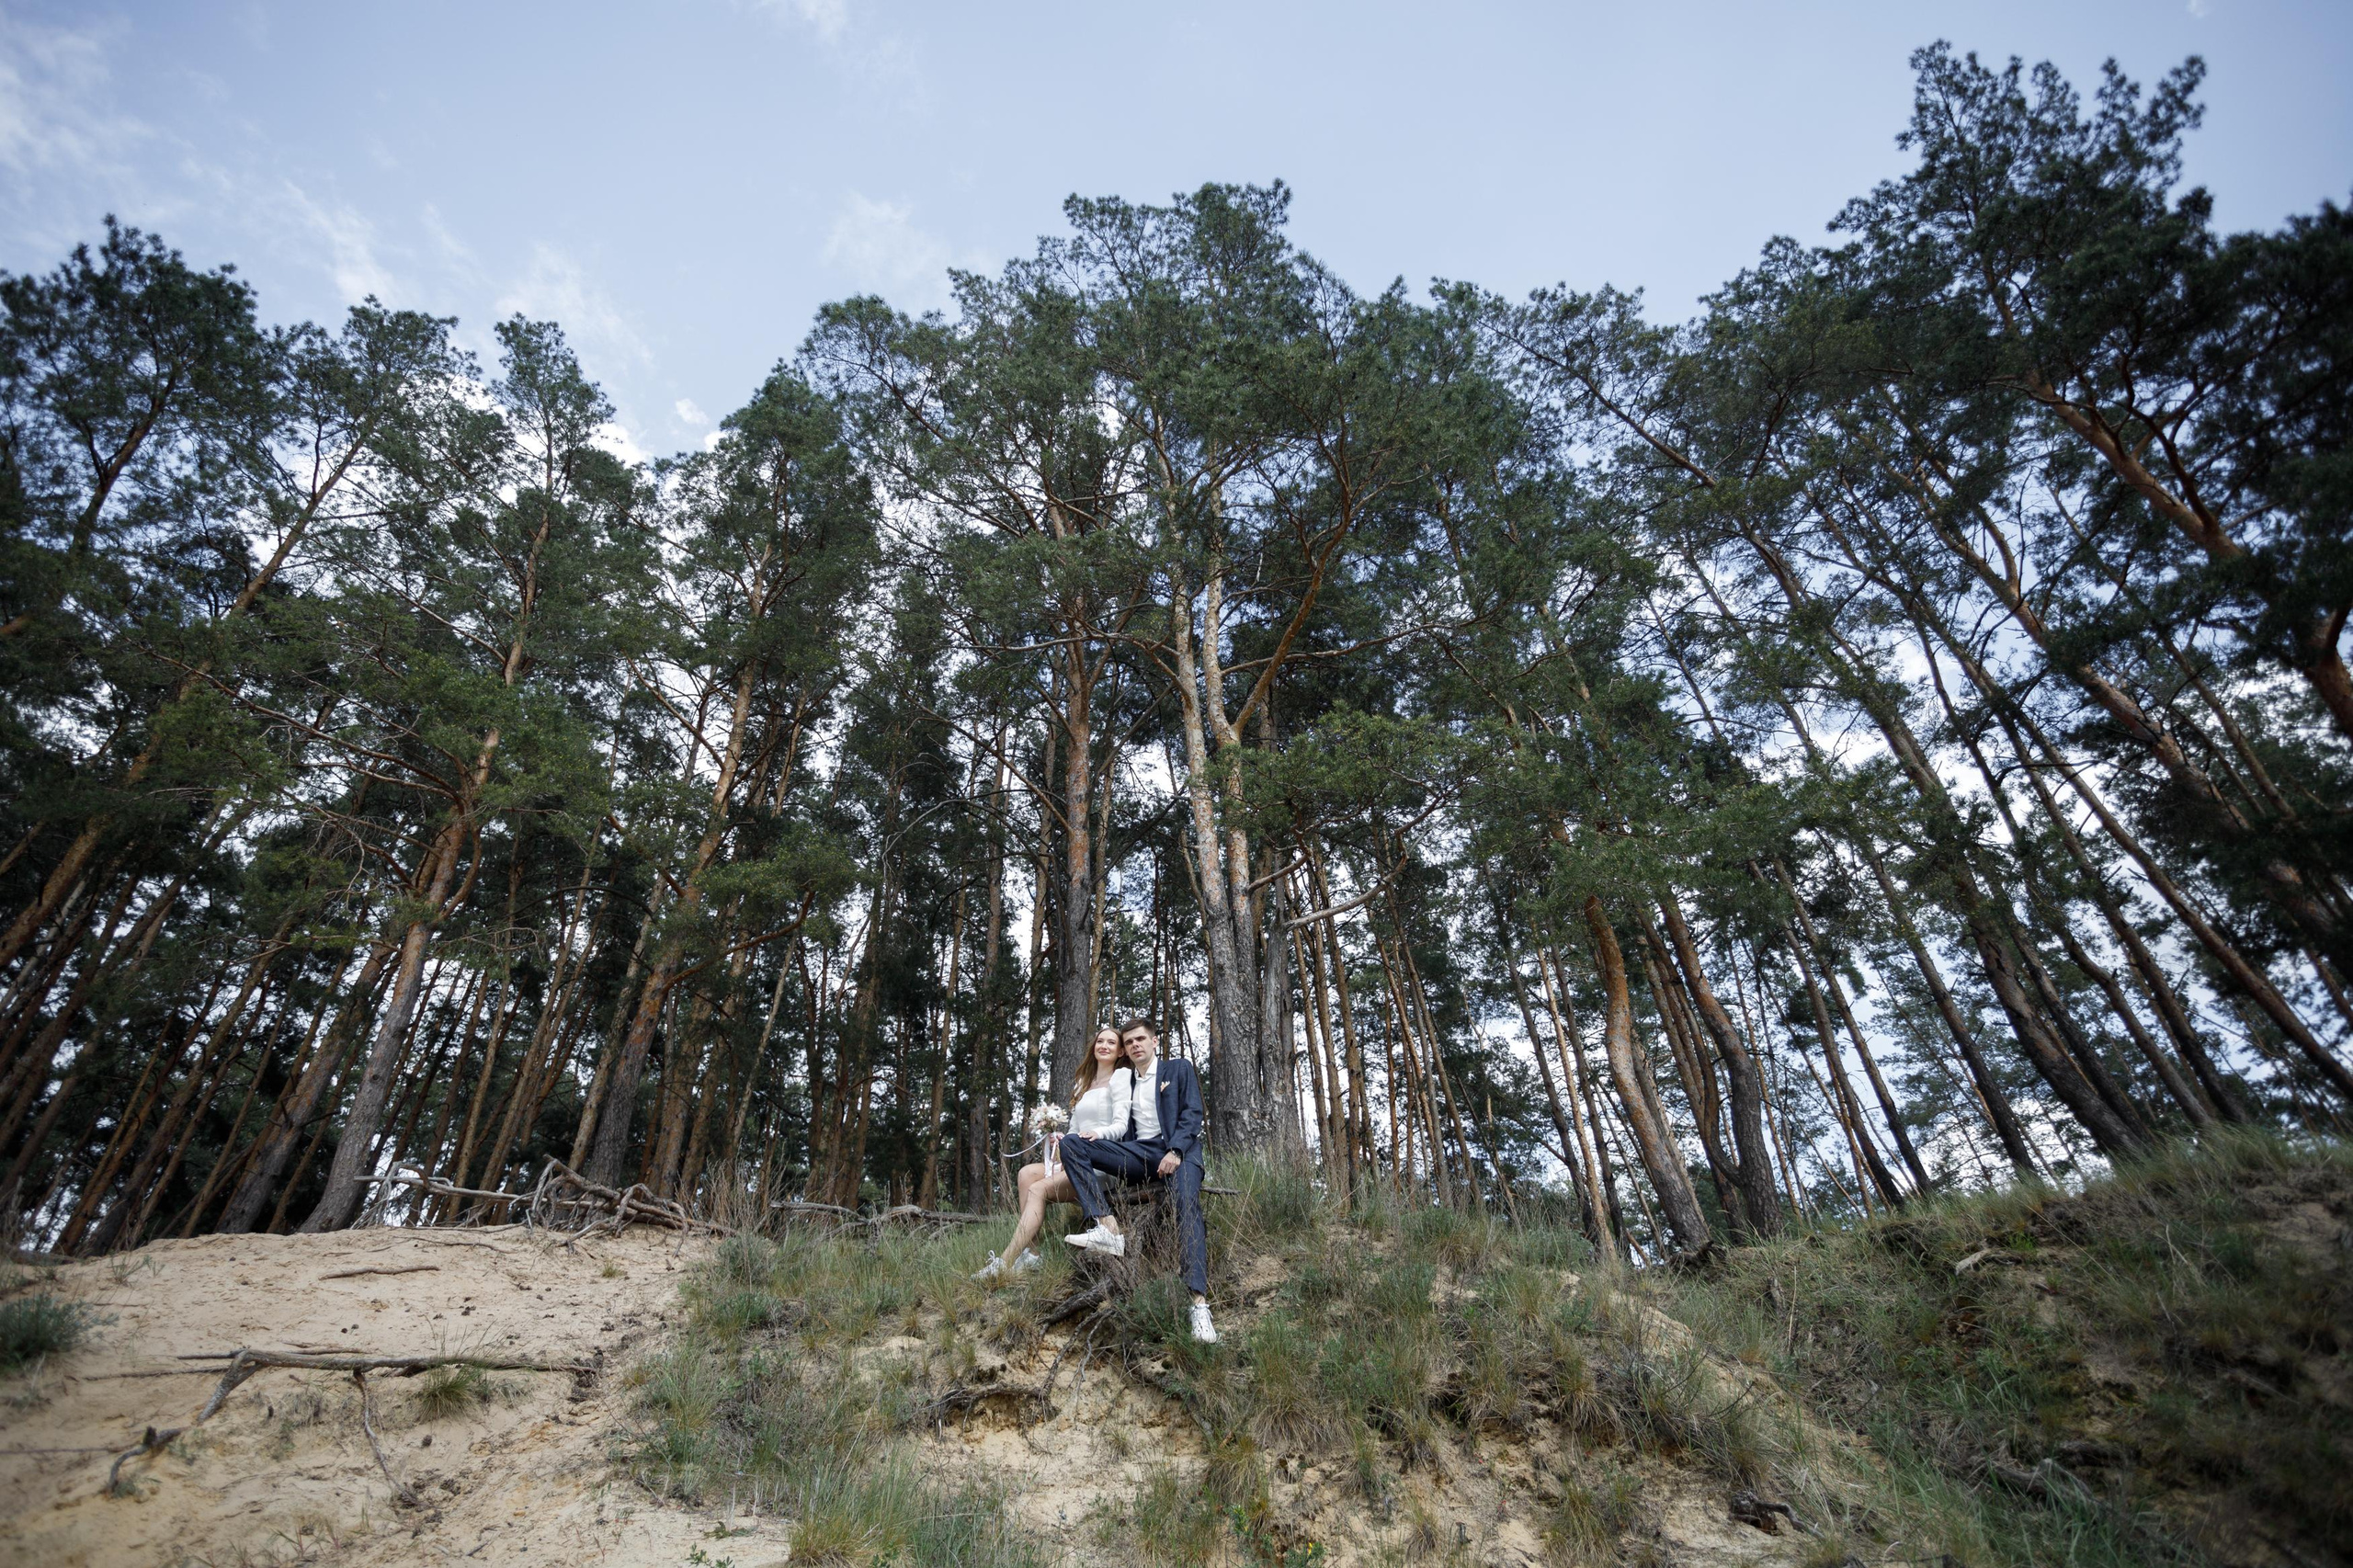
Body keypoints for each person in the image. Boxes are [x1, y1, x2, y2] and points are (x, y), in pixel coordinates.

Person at [1056, 1016, 1216, 1344]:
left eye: (1140, 1039)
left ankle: (1198, 1306)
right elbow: (1114, 1121)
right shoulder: (1125, 1081)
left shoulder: (1177, 1069)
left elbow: (1193, 1114)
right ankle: (1106, 1226)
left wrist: (1175, 1150)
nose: (1135, 1046)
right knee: (1072, 1144)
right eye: (1129, 1043)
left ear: (1154, 1041)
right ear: (1126, 1051)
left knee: (1185, 1203)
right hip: (1138, 1154)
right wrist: (1094, 1133)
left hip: (1179, 1152)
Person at [972, 1027, 1131, 1281]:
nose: (1104, 1045)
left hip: (1102, 1162)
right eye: (1099, 1040)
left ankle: (1004, 1261)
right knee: (1026, 1174)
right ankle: (1034, 1254)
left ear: (1121, 1050)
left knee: (1038, 1189)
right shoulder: (1084, 1082)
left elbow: (1122, 1125)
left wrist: (1097, 1135)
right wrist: (1061, 1140)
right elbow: (1075, 1129)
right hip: (1077, 1158)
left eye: (1111, 1042)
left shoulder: (1121, 1077)